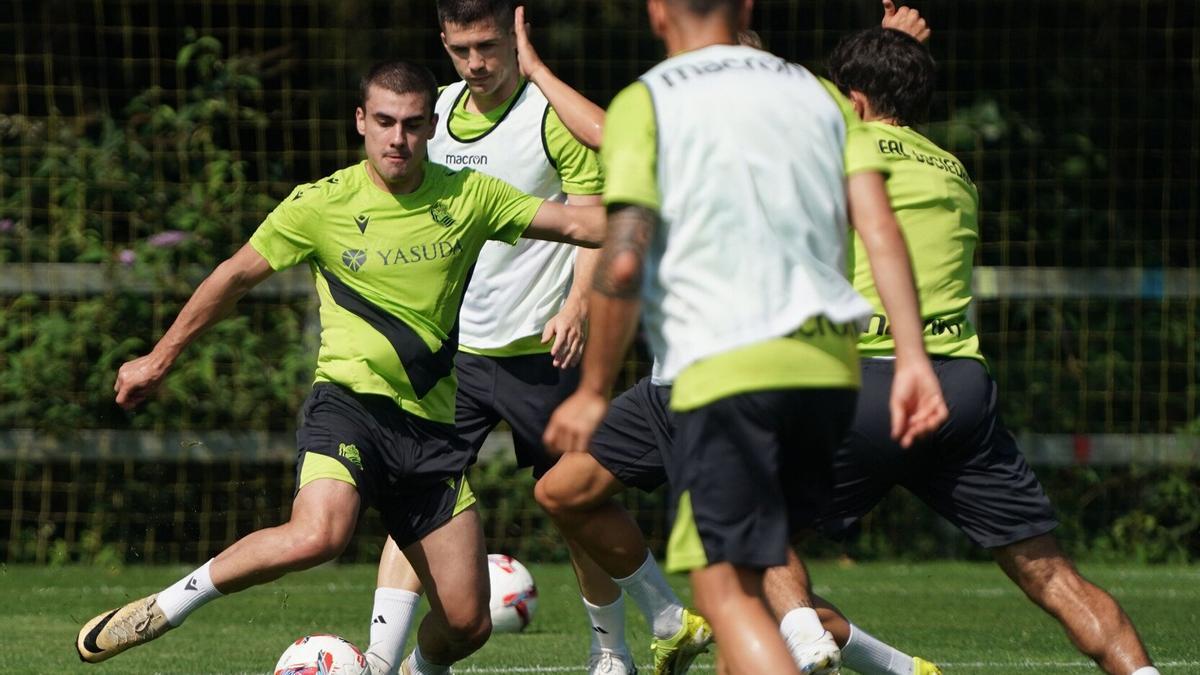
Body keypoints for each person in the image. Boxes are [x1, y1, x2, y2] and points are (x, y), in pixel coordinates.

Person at [74, 60, 606, 671]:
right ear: (360, 122)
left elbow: (579, 223)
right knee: (319, 534)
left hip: (431, 430)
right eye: (383, 122)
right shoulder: (320, 204)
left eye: (410, 124)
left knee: (467, 623)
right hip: (349, 407)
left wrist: (661, 205)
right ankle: (164, 608)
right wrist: (160, 357)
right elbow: (233, 277)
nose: (396, 138)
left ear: (432, 126)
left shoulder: (472, 196)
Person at [528, 3, 941, 674]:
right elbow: (879, 225)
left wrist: (594, 387)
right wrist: (916, 358)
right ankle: (841, 646)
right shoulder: (819, 97)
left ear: (657, 13)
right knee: (755, 569)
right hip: (830, 371)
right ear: (746, 7)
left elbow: (625, 256)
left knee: (729, 595)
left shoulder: (651, 101)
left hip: (729, 369)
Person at [762, 22, 1161, 675]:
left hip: (867, 383)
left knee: (750, 535)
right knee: (1054, 577)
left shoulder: (843, 143)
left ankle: (810, 645)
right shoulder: (954, 171)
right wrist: (889, 49)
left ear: (854, 99)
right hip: (960, 393)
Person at [362, 4, 710, 675]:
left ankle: (612, 652)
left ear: (514, 38)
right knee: (416, 500)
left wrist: (578, 303)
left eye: (489, 46)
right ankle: (379, 660)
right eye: (461, 49)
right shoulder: (423, 118)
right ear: (444, 43)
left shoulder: (549, 115)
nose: (476, 63)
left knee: (576, 502)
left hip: (543, 353)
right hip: (456, 351)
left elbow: (593, 219)